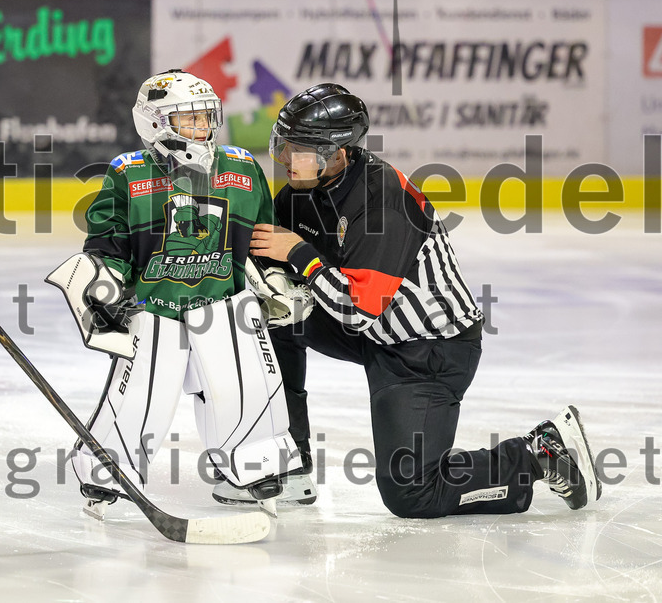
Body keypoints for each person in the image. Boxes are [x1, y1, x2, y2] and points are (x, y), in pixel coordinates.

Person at [249, 83, 603, 518]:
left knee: (411, 493)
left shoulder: (383, 203)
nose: (283, 159)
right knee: (266, 314)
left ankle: (536, 455)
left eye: (296, 150)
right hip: (380, 335)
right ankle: (291, 459)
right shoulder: (302, 190)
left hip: (429, 350)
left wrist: (300, 255)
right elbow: (262, 255)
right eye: (281, 145)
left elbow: (357, 310)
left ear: (336, 153)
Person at [46, 71, 315, 519]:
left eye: (207, 117)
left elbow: (264, 240)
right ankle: (108, 471)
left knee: (246, 381)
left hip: (223, 303)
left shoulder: (242, 168)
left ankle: (257, 465)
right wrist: (106, 281)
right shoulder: (129, 173)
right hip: (154, 308)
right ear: (155, 122)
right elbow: (107, 244)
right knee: (141, 395)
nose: (202, 127)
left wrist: (276, 280)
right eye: (189, 118)